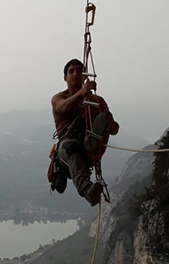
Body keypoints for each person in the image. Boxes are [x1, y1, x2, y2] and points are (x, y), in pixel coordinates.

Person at [51, 58, 119, 206]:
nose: (75, 74)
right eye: (71, 71)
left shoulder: (97, 101)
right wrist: (81, 94)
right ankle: (88, 191)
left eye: (79, 71)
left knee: (101, 119)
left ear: (85, 76)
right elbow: (63, 107)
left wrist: (107, 120)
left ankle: (91, 142)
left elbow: (115, 129)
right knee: (72, 147)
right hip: (68, 149)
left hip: (90, 152)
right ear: (65, 77)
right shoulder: (58, 98)